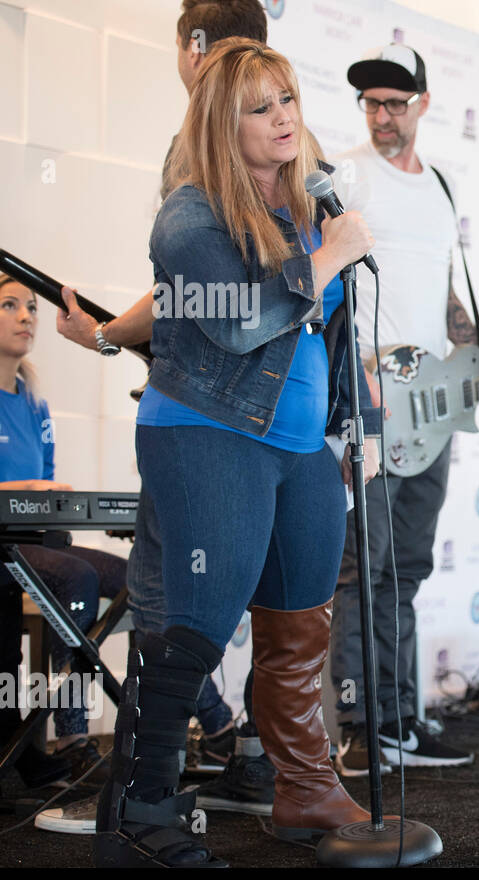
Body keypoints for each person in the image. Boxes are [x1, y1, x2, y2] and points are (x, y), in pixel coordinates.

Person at [94, 38, 383, 868]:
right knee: (193, 627)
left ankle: (303, 787)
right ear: (224, 124)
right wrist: (331, 255)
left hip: (300, 443)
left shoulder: (306, 209)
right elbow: (241, 321)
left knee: (300, 622)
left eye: (288, 99)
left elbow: (328, 332)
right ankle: (141, 815)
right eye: (261, 107)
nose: (284, 117)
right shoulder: (189, 217)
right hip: (208, 433)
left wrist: (355, 417)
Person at [53, 0, 276, 826]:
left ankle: (140, 795)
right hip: (255, 415)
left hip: (206, 414)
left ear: (192, 43)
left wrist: (109, 335)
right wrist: (112, 335)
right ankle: (229, 767)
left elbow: (202, 287)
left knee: (168, 597)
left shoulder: (205, 139)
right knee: (252, 599)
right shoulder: (271, 136)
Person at [327, 43, 479, 775]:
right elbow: (329, 285)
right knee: (367, 566)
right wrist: (361, 375)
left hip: (432, 404)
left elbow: (446, 296)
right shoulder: (347, 175)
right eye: (372, 103)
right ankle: (362, 726)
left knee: (408, 567)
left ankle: (402, 719)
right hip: (374, 399)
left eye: (396, 102)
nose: (383, 116)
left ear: (423, 104)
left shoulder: (443, 185)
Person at [0, 276, 125, 788]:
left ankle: (202, 724)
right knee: (72, 577)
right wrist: (20, 487)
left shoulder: (35, 404)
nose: (27, 316)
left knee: (138, 576)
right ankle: (72, 737)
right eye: (10, 305)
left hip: (40, 540)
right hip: (5, 545)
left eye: (31, 306)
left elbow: (47, 485)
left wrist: (46, 494)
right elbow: (30, 485)